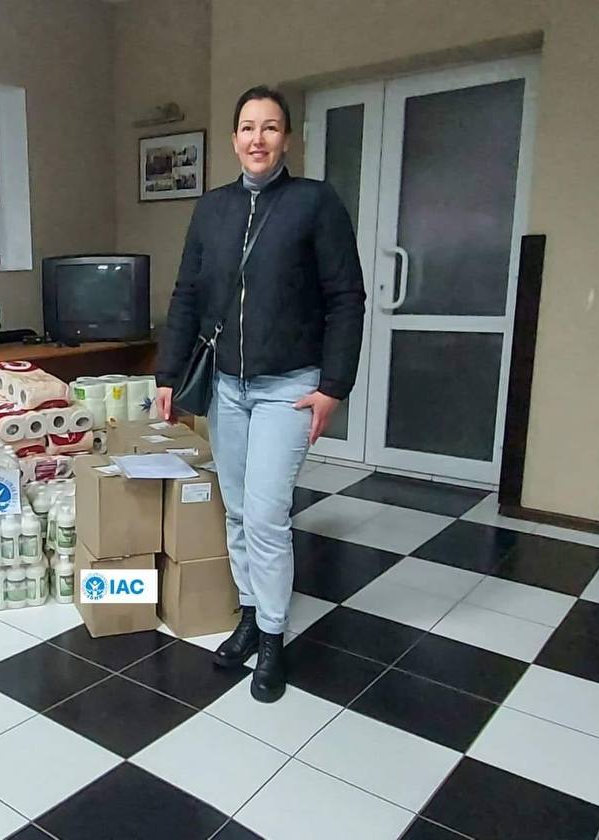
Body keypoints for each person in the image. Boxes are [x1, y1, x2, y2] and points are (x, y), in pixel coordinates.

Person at [154, 86, 365, 703]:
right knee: (239, 512)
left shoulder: (314, 203)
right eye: (248, 127)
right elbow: (187, 295)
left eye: (270, 127)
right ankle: (250, 614)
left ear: (287, 139)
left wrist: (333, 386)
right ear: (234, 139)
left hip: (289, 387)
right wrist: (167, 375)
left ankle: (273, 636)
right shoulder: (212, 209)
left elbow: (346, 298)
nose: (258, 138)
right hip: (226, 384)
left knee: (268, 514)